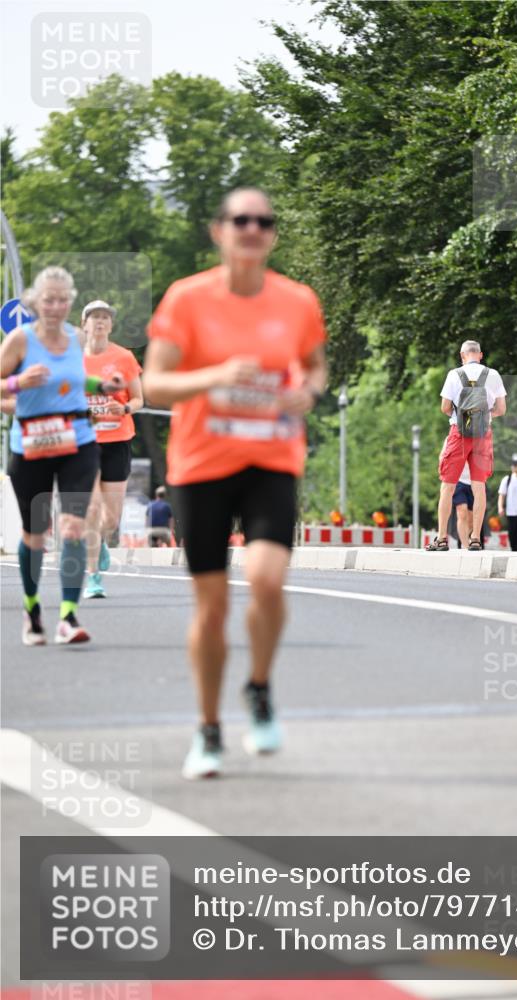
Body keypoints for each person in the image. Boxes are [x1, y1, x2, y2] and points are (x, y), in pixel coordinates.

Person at [143, 186, 327, 779]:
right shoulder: (187, 299)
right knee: (213, 605)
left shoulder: (297, 301)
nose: (253, 229)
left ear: (272, 234)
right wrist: (217, 373)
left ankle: (259, 687)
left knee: (268, 581)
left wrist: (311, 391)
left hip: (271, 457)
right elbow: (154, 386)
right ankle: (208, 728)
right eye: (240, 220)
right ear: (217, 230)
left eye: (264, 221)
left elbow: (316, 361)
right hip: (200, 465)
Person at [0, 266, 124, 645]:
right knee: (35, 534)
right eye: (48, 299)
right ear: (36, 302)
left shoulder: (73, 338)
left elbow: (71, 378)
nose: (55, 306)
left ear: (70, 304)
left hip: (77, 441)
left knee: (72, 526)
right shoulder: (20, 341)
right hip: (32, 442)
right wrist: (18, 382)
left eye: (62, 300)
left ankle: (68, 616)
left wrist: (100, 384)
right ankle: (32, 607)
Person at [82, 300, 143, 599]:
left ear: (111, 325)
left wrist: (124, 408)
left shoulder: (124, 357)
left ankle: (102, 541)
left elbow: (139, 399)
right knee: (92, 510)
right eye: (95, 317)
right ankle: (93, 576)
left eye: (105, 317)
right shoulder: (70, 360)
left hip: (117, 440)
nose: (100, 322)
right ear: (84, 325)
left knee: (110, 519)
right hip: (84, 444)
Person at [428, 340, 506, 552]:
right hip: (483, 435)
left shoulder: (454, 375)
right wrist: (485, 415)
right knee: (478, 486)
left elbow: (444, 407)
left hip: (459, 434)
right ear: (480, 354)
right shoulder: (493, 375)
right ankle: (475, 539)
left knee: (448, 485)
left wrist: (460, 415)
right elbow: (501, 409)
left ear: (462, 356)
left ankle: (442, 538)